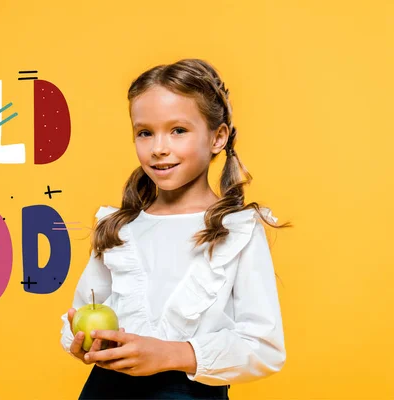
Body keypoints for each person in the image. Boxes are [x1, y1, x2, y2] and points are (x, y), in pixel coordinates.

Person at [59, 58, 292, 400]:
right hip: (106, 390)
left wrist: (170, 354)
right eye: (145, 133)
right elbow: (81, 311)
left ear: (218, 137)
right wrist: (83, 344)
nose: (158, 148)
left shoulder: (237, 231)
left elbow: (264, 346)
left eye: (178, 130)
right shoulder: (119, 229)